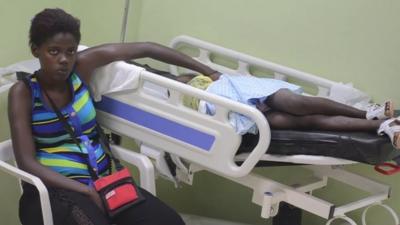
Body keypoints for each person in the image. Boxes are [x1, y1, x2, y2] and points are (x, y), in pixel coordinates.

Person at [8, 8, 219, 225]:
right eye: (54, 52)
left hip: (105, 183)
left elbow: (146, 48)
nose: (64, 60)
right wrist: (85, 191)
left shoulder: (80, 69)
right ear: (36, 50)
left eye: (70, 51)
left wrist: (208, 72)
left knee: (170, 221)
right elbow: (26, 162)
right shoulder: (23, 93)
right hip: (53, 191)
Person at [174, 71, 400, 150]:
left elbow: (218, 79)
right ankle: (381, 125)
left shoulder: (197, 82)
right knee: (310, 121)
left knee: (300, 104)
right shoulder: (176, 100)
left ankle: (369, 113)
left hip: (253, 92)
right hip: (247, 114)